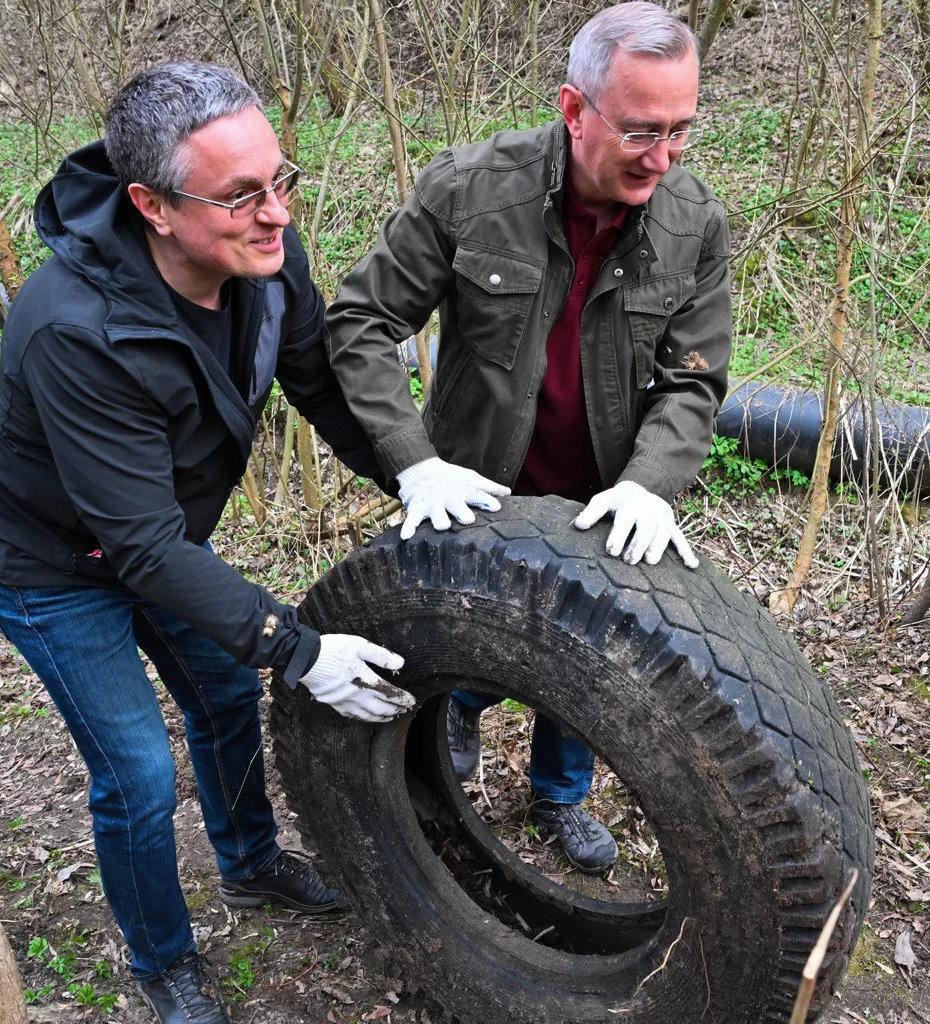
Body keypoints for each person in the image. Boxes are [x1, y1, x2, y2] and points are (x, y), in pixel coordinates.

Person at [0, 62, 413, 1024]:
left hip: (154, 535)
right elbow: (142, 550)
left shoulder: (262, 259)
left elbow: (320, 386)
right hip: (50, 564)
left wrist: (414, 474)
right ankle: (163, 962)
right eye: (240, 194)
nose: (275, 213)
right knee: (138, 772)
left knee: (226, 692)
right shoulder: (77, 329)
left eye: (280, 180)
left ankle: (248, 864)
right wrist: (298, 645)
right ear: (152, 206)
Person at [327, 2, 731, 875]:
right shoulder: (471, 190)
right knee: (469, 633)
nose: (661, 158)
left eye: (680, 131)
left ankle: (559, 796)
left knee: (590, 651)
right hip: (476, 487)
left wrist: (651, 482)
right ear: (575, 108)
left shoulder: (692, 222)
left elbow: (694, 376)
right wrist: (413, 462)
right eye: (640, 131)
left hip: (602, 497)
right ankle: (457, 719)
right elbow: (360, 321)